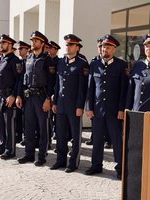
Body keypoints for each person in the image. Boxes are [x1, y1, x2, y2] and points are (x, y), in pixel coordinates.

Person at [85, 34, 129, 180]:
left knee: (117, 141)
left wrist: (121, 110)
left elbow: (124, 90)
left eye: (108, 47)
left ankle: (120, 168)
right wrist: (89, 107)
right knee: (97, 139)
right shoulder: (94, 64)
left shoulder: (121, 65)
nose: (105, 49)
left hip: (114, 111)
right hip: (97, 110)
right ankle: (96, 165)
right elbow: (90, 88)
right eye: (104, 47)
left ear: (114, 49)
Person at [16, 31, 56, 166]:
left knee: (42, 128)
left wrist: (48, 99)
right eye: (32, 40)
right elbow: (22, 79)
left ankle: (42, 155)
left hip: (41, 97)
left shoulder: (48, 60)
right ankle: (29, 154)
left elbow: (52, 82)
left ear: (42, 43)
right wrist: (19, 96)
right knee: (28, 127)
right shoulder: (28, 58)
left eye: (35, 41)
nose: (32, 43)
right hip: (28, 97)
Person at [50, 34, 89, 173]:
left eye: (71, 44)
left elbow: (82, 88)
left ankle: (73, 162)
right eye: (66, 44)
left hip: (74, 106)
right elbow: (57, 84)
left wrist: (80, 106)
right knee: (60, 134)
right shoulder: (60, 62)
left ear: (77, 47)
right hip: (61, 104)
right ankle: (60, 160)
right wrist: (55, 102)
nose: (68, 47)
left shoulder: (82, 64)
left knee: (75, 135)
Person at [0, 34, 22, 160]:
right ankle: (2, 146)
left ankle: (10, 149)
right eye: (0, 43)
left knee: (9, 125)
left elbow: (19, 80)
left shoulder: (15, 61)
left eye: (4, 43)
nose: (1, 45)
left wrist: (13, 95)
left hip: (8, 97)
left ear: (10, 45)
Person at [15, 40, 31, 144]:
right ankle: (19, 135)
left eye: (21, 48)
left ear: (27, 50)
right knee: (19, 116)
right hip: (20, 93)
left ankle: (28, 137)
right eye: (18, 49)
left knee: (28, 118)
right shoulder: (20, 62)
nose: (19, 50)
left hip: (28, 93)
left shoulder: (29, 61)